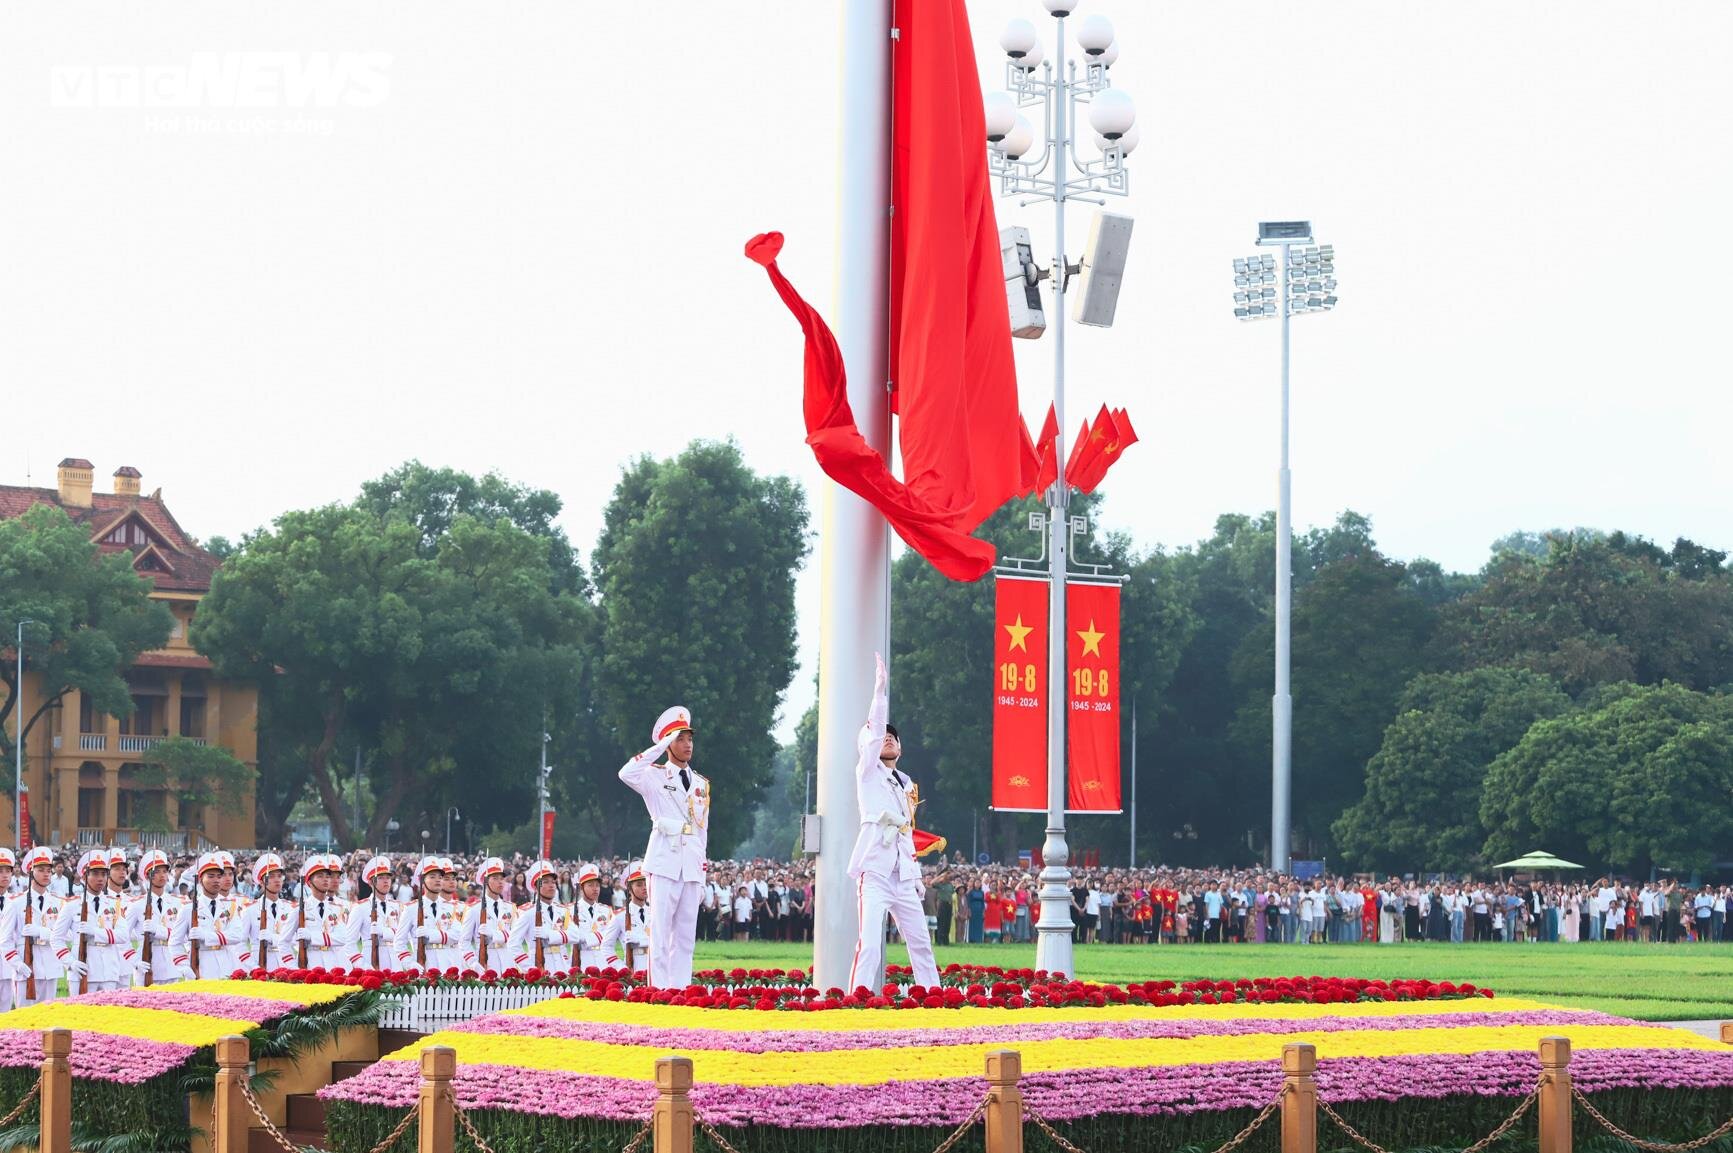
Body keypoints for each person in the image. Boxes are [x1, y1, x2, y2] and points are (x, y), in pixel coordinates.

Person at [844, 653, 940, 992]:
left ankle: (934, 998)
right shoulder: (867, 772)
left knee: (921, 945)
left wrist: (915, 875)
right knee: (870, 944)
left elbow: (907, 833)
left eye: (893, 737)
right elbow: (874, 732)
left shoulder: (906, 782)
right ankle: (858, 1000)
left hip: (903, 873)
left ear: (901, 747)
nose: (887, 738)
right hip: (876, 872)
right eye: (882, 735)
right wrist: (880, 692)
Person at [619, 705, 709, 989]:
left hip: (691, 865)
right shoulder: (654, 775)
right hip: (664, 861)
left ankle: (680, 989)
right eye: (680, 739)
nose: (687, 745)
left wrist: (703, 874)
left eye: (690, 739)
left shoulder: (701, 784)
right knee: (660, 932)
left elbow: (702, 832)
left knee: (685, 935)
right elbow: (626, 773)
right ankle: (658, 990)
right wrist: (658, 747)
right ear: (669, 743)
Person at [170, 853, 242, 981]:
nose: (216, 880)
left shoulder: (230, 906)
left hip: (227, 966)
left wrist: (206, 936)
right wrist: (185, 967)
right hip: (201, 966)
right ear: (200, 879)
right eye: (211, 876)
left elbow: (237, 935)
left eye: (219, 876)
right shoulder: (188, 909)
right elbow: (175, 943)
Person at [508, 859, 577, 972]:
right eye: (545, 882)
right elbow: (513, 944)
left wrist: (550, 935)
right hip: (539, 967)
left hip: (562, 967)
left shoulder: (563, 911)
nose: (551, 886)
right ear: (536, 887)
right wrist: (530, 969)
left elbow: (575, 935)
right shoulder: (527, 912)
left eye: (553, 882)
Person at [132, 850, 182, 986]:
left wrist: (158, 930)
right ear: (148, 876)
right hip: (147, 964)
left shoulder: (177, 904)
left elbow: (181, 936)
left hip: (171, 965)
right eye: (157, 872)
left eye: (164, 871)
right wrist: (135, 961)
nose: (162, 876)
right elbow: (122, 938)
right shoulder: (137, 905)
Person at [348, 856, 407, 972]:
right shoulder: (360, 908)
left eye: (388, 877)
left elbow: (405, 936)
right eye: (381, 878)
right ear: (371, 882)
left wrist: (384, 932)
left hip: (395, 964)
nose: (386, 881)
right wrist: (363, 966)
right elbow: (349, 943)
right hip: (369, 961)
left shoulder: (398, 906)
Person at [462, 857, 519, 974]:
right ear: (486, 881)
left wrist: (494, 935)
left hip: (508, 963)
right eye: (495, 878)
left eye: (502, 878)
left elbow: (516, 937)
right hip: (485, 964)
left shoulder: (510, 908)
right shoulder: (474, 909)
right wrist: (473, 962)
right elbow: (464, 941)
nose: (500, 881)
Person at [603, 861, 652, 978]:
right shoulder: (620, 916)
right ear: (630, 888)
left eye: (646, 883)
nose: (644, 888)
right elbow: (606, 946)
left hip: (655, 966)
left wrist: (641, 940)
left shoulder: (655, 913)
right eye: (639, 885)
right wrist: (621, 967)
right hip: (634, 969)